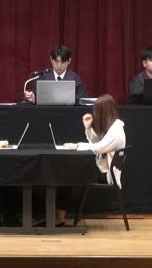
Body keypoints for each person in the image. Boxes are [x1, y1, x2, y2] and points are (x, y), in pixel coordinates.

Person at [61, 94, 127, 224]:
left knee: (67, 174)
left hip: (106, 174)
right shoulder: (112, 128)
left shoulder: (116, 131)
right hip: (102, 169)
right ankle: (58, 217)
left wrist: (77, 146)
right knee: (66, 173)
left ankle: (58, 218)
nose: (95, 115)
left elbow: (98, 148)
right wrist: (88, 128)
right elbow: (98, 143)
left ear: (103, 112)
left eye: (96, 111)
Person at [24, 44, 88, 103]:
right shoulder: (42, 77)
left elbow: (82, 100)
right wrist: (33, 98)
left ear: (69, 61)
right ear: (51, 59)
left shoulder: (75, 78)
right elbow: (33, 96)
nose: (59, 65)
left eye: (63, 62)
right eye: (56, 62)